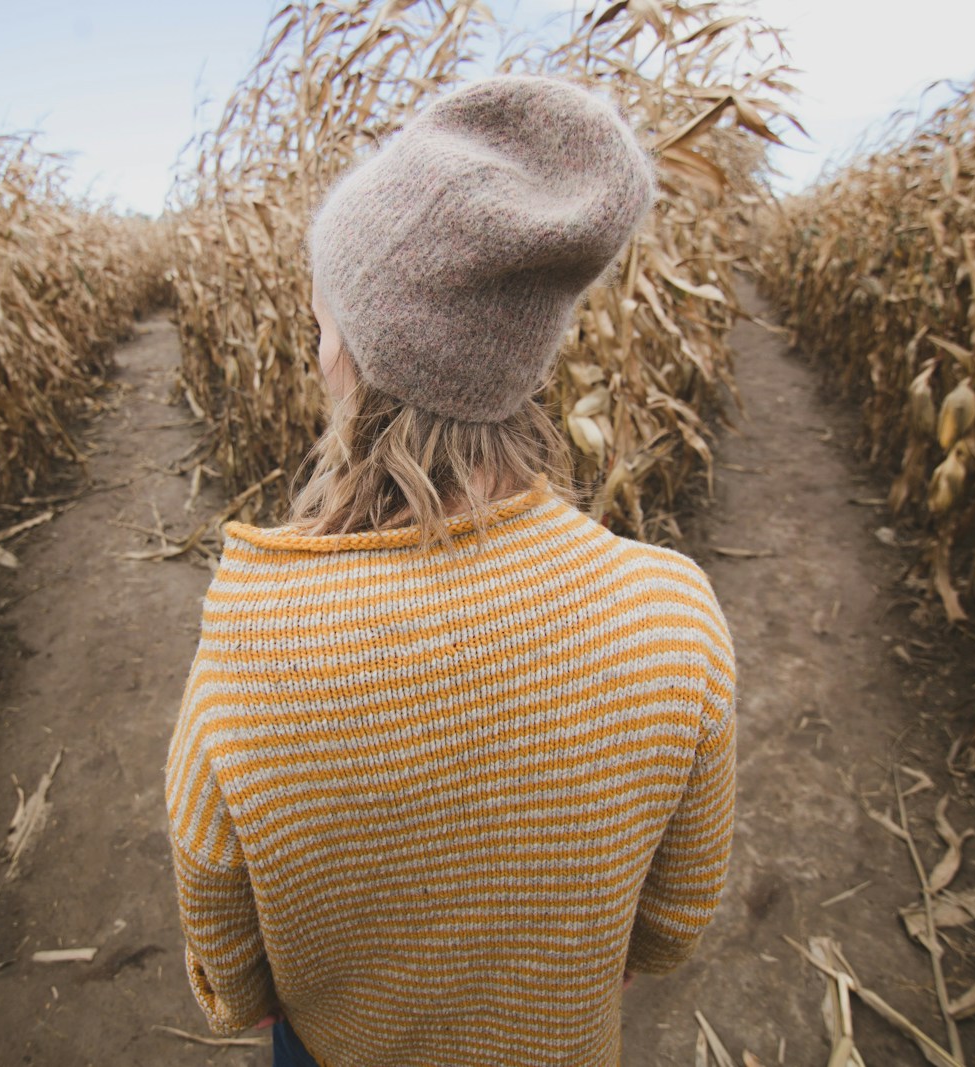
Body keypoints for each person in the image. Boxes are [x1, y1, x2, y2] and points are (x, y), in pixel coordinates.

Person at [164, 73, 737, 1067]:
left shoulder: (253, 650)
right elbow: (674, 921)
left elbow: (230, 969)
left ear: (354, 352)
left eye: (321, 318)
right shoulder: (673, 617)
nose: (314, 342)